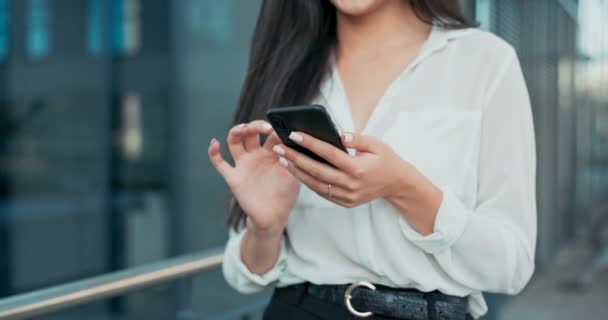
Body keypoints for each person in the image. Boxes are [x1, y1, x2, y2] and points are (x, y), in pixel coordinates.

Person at [208, 0, 537, 319]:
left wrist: (402, 187)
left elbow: (511, 266)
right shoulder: (289, 67)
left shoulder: (484, 61)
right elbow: (244, 275)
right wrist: (265, 229)